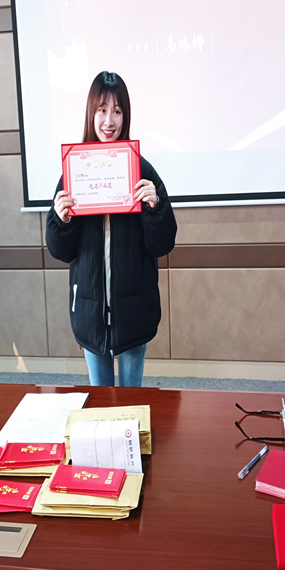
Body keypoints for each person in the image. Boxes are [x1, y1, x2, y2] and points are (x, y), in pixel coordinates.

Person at [46, 71, 176, 387]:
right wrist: (62, 220)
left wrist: (155, 207)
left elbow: (163, 243)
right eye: (102, 110)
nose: (109, 120)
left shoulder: (142, 170)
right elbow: (60, 250)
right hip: (89, 312)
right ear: (91, 114)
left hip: (134, 311)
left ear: (125, 116)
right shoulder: (75, 171)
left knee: (132, 399)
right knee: (100, 401)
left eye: (117, 111)